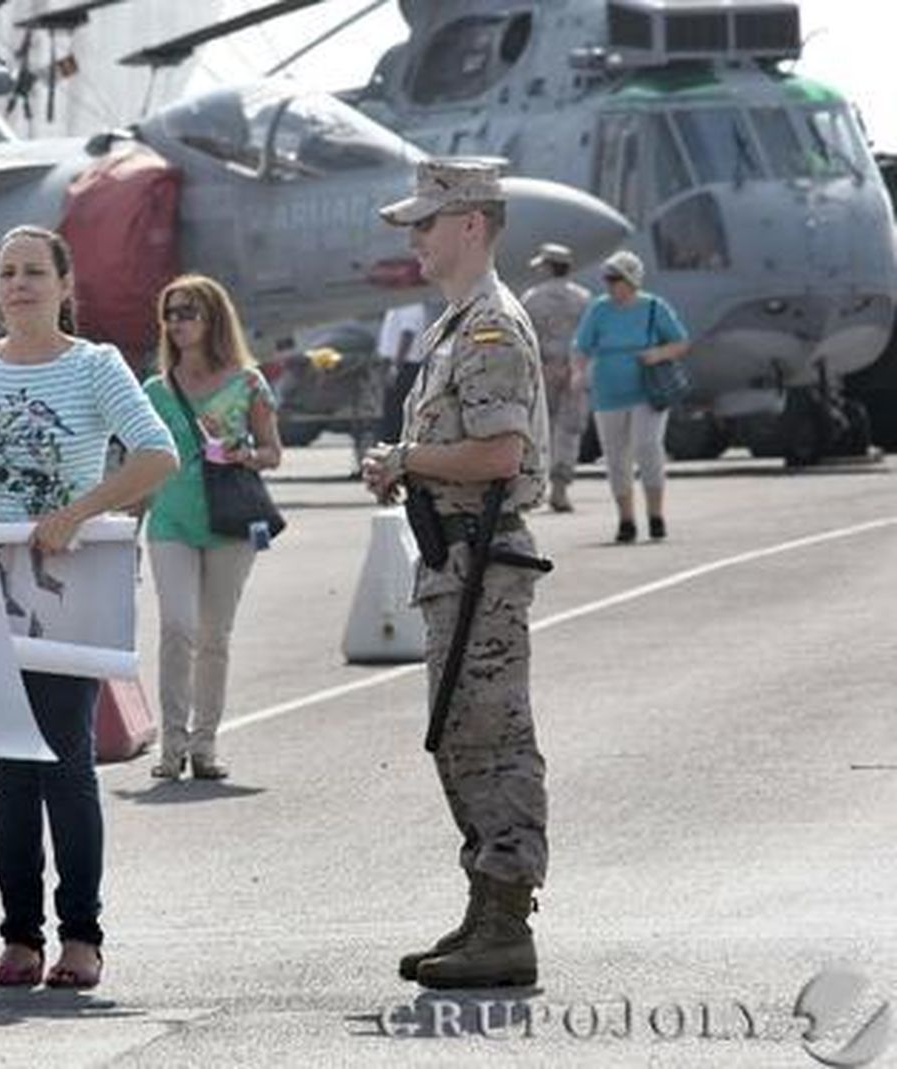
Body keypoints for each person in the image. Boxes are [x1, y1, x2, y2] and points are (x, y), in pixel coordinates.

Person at [0, 224, 177, 991]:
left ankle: (81, 937)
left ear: (63, 286)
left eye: (33, 272)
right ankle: (20, 939)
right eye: (7, 272)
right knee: (8, 772)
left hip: (65, 591)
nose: (19, 284)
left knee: (66, 762)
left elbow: (158, 453)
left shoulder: (95, 366)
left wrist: (78, 512)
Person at [361, 159, 551, 990]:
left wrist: (406, 457)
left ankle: (507, 921)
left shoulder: (489, 328)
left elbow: (499, 453)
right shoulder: (453, 324)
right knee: (460, 734)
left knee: (491, 735)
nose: (416, 238)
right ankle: (486, 907)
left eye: (427, 223)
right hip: (454, 558)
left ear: (471, 224)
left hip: (482, 560)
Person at [141, 273, 282, 782]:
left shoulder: (247, 383)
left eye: (187, 313)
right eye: (170, 314)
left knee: (213, 637)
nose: (176, 322)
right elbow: (140, 462)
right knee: (176, 627)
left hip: (230, 521)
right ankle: (171, 746)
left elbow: (274, 453)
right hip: (171, 520)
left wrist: (244, 453)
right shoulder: (156, 390)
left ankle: (205, 745)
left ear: (212, 319)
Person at [569, 249, 691, 542]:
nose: (609, 285)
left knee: (647, 447)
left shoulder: (653, 307)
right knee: (615, 458)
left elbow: (681, 342)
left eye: (615, 279)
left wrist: (658, 353)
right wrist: (577, 371)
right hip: (607, 393)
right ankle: (626, 520)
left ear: (632, 280)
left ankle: (656, 515)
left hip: (647, 392)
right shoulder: (599, 309)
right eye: (607, 279)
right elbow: (581, 346)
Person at [519, 243, 592, 512]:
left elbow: (525, 338)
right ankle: (560, 488)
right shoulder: (583, 298)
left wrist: (540, 366)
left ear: (549, 266)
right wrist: (576, 367)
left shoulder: (531, 297)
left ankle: (536, 485)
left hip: (543, 369)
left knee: (539, 428)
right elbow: (589, 339)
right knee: (570, 430)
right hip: (575, 370)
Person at [373, 301, 428, 446]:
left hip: (406, 365)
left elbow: (408, 334)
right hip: (398, 363)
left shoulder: (410, 303)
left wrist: (396, 366)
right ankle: (389, 447)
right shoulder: (397, 304)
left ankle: (393, 448)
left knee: (396, 412)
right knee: (390, 411)